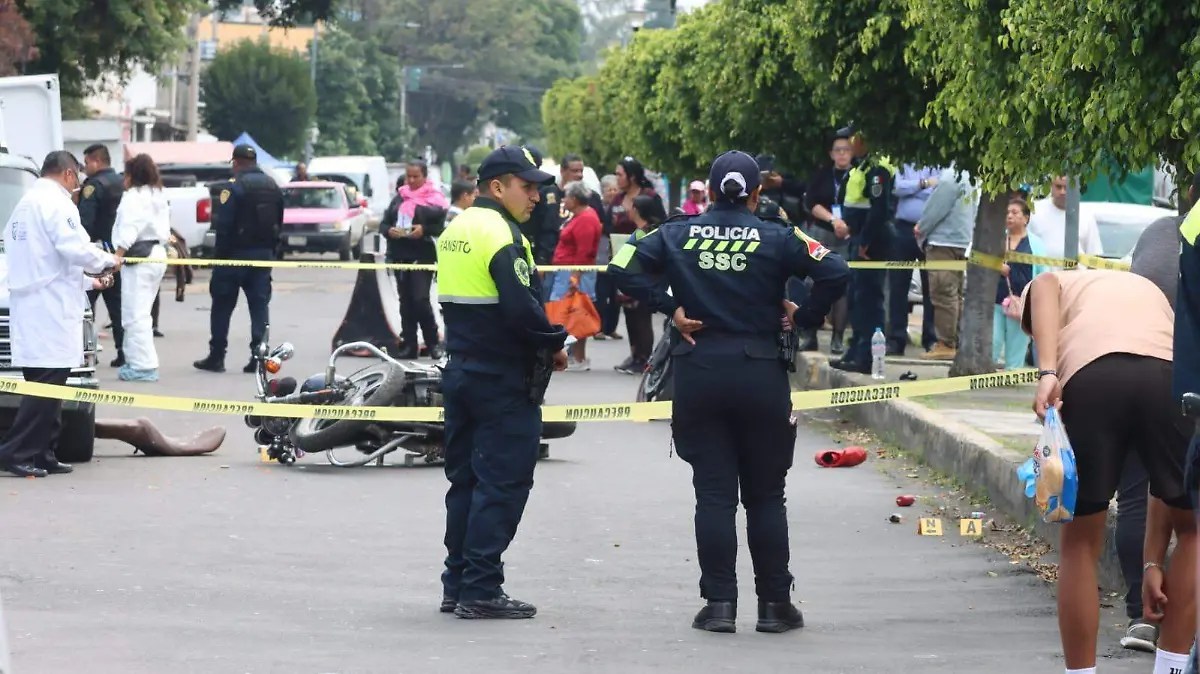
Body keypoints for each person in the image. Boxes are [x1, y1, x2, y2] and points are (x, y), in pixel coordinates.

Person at [609, 150, 850, 634]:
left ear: (711, 192)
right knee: (765, 496)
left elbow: (620, 266)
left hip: (698, 373)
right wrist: (802, 315)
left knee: (714, 495)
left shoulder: (678, 231)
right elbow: (835, 271)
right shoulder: (778, 234)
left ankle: (719, 604)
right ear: (757, 193)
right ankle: (775, 606)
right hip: (761, 374)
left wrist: (668, 305)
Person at [1022, 269, 1196, 674]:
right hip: (1166, 379)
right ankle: (1170, 667)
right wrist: (1152, 563)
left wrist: (1048, 371)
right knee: (1193, 530)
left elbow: (1045, 284)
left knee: (1080, 541)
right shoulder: (1147, 291)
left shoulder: (1062, 280)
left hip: (1092, 377)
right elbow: (1162, 485)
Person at [434, 145, 568, 619]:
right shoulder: (501, 235)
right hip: (502, 378)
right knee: (503, 483)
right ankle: (481, 589)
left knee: (466, 481)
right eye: (527, 187)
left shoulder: (456, 229)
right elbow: (520, 308)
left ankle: (457, 583)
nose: (535, 197)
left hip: (462, 370)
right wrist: (556, 340)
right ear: (497, 187)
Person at [0, 151, 119, 478]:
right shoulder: (56, 203)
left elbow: (48, 260)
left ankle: (43, 451)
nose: (78, 184)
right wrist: (105, 260)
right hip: (48, 308)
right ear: (68, 174)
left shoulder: (25, 205)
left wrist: (90, 280)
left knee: (49, 385)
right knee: (46, 388)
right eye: (77, 177)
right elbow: (73, 248)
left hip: (38, 303)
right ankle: (16, 452)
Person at [193, 144, 283, 374]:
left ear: (236, 162)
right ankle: (259, 357)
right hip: (262, 257)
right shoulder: (273, 186)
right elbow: (279, 223)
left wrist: (218, 258)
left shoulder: (234, 188)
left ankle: (217, 356)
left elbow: (224, 226)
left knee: (222, 307)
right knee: (259, 307)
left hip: (233, 257)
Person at [831, 131, 896, 374]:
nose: (849, 144)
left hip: (872, 241)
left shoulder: (878, 168)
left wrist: (865, 242)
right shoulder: (860, 166)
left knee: (869, 299)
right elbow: (845, 198)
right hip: (856, 237)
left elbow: (878, 210)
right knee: (857, 297)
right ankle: (856, 348)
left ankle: (868, 356)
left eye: (853, 140)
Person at [111, 154, 170, 382]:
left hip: (139, 257)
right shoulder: (158, 194)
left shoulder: (133, 197)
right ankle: (136, 361)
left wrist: (117, 257)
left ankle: (143, 365)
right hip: (157, 254)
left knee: (134, 315)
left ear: (131, 175)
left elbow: (129, 229)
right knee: (142, 312)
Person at [381, 160, 449, 359]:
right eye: (408, 176)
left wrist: (424, 230)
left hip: (422, 256)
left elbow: (441, 227)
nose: (411, 180)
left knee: (420, 300)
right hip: (400, 255)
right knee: (406, 303)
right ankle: (409, 344)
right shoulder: (399, 198)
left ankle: (433, 342)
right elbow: (384, 224)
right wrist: (389, 231)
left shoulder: (435, 200)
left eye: (415, 176)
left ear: (424, 177)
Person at [914, 166, 976, 361]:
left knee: (943, 294)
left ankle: (946, 343)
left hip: (943, 241)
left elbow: (935, 209)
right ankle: (954, 341)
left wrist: (921, 227)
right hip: (962, 240)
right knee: (955, 296)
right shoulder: (971, 175)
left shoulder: (951, 176)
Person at [804, 133, 855, 355]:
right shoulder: (823, 175)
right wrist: (833, 220)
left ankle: (838, 338)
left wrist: (846, 225)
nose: (842, 154)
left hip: (847, 235)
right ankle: (810, 335)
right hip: (821, 232)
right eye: (838, 150)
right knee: (812, 284)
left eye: (846, 149)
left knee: (842, 287)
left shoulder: (858, 175)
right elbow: (811, 203)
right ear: (831, 153)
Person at [78, 143, 126, 367]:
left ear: (96, 161)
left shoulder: (93, 186)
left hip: (97, 254)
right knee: (118, 307)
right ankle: (123, 351)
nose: (84, 168)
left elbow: (85, 224)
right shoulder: (122, 182)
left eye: (86, 163)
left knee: (85, 305)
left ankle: (85, 352)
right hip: (118, 253)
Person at [550, 180, 603, 371]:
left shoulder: (586, 218)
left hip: (574, 272)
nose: (563, 201)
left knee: (576, 313)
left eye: (565, 197)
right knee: (570, 312)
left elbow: (584, 252)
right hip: (569, 271)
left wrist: (575, 277)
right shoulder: (578, 216)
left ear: (574, 198)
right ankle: (575, 356)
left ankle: (578, 358)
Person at [888, 164, 939, 356]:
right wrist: (924, 184)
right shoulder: (903, 162)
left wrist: (912, 189)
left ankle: (931, 339)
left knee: (931, 289)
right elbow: (897, 188)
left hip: (930, 230)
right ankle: (896, 339)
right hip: (903, 229)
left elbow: (938, 191)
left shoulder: (938, 163)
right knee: (898, 287)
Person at [614, 195, 664, 375]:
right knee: (634, 321)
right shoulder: (644, 231)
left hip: (642, 283)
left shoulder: (645, 232)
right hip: (637, 282)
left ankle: (643, 359)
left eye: (630, 206)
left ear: (636, 210)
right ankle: (636, 356)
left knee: (642, 322)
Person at [993, 199, 1045, 371]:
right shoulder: (996, 239)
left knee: (1017, 343)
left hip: (1022, 302)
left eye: (1015, 213)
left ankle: (1012, 375)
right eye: (1007, 213)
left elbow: (1043, 273)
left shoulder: (1035, 244)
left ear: (1026, 218)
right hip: (996, 300)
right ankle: (984, 374)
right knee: (992, 339)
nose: (1009, 216)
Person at [1028, 175, 1104, 259]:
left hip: (1077, 271)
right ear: (1051, 186)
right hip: (1041, 271)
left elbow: (1093, 255)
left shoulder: (1086, 216)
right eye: (1058, 187)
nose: (1062, 192)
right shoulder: (1035, 211)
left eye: (1067, 188)